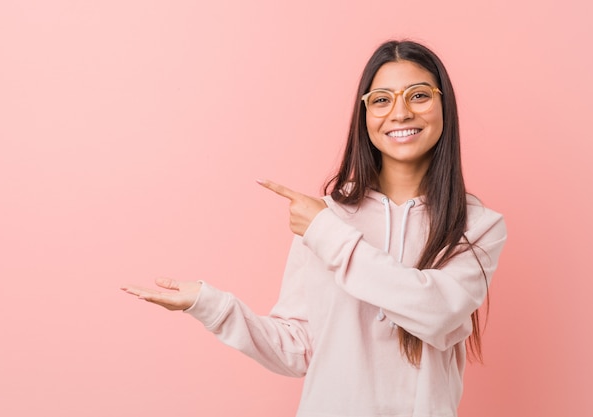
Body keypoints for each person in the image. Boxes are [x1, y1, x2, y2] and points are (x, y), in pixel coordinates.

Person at [122, 39, 507, 417]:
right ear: (365, 115)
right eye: (381, 99)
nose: (401, 112)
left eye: (419, 95)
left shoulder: (478, 226)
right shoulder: (327, 216)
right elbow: (298, 349)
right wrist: (210, 305)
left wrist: (328, 235)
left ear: (444, 105)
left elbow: (437, 311)